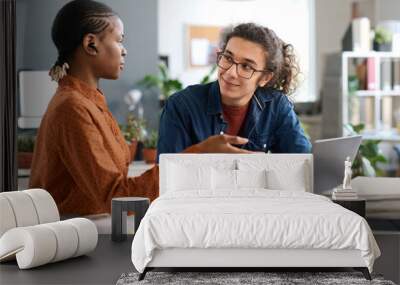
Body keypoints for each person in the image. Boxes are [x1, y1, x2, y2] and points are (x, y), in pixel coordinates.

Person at [29, 0, 159, 215]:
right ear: (91, 44)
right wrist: (185, 166)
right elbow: (118, 198)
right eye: (119, 40)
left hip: (88, 232)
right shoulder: (72, 107)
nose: (124, 50)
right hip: (69, 240)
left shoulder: (89, 101)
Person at [157, 23, 311, 160]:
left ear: (265, 78)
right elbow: (163, 177)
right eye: (228, 58)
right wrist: (200, 151)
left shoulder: (276, 106)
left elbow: (304, 163)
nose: (230, 73)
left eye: (246, 66)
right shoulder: (181, 105)